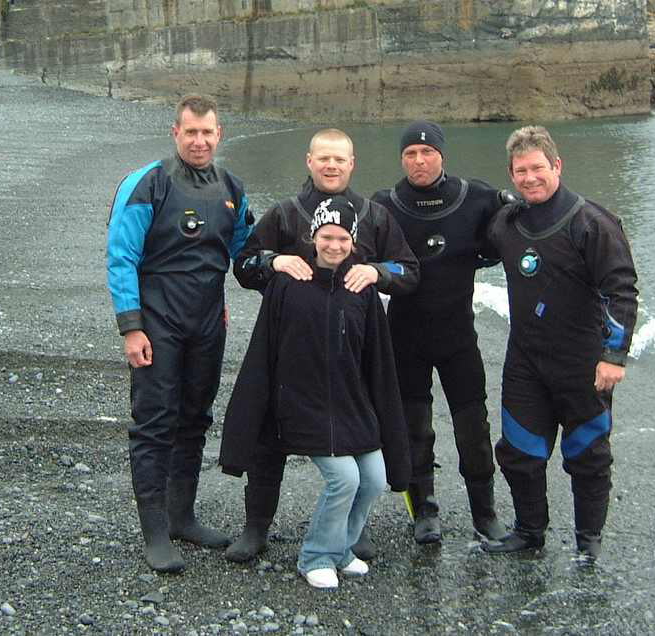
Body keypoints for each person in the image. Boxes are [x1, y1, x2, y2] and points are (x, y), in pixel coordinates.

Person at [227, 128, 419, 563]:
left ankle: (350, 532)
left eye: (340, 159)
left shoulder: (374, 216)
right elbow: (244, 265)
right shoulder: (285, 214)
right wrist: (273, 260)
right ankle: (256, 526)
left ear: (352, 164)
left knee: (355, 438)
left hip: (352, 352)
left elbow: (410, 271)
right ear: (309, 161)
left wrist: (378, 272)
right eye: (324, 158)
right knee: (268, 437)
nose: (331, 165)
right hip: (289, 347)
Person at [106, 94, 254, 573]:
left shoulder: (232, 187)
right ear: (176, 133)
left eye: (207, 132)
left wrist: (294, 263)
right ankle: (154, 531)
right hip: (157, 322)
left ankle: (182, 516)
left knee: (195, 418)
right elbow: (121, 257)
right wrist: (131, 328)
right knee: (154, 422)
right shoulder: (147, 183)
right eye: (191, 132)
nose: (199, 141)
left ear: (219, 134)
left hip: (208, 322)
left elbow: (246, 253)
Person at [483, 125, 638, 559]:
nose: (529, 177)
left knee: (587, 453)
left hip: (582, 362)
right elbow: (467, 251)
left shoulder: (592, 222)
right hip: (526, 361)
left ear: (557, 165)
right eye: (520, 171)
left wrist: (614, 355)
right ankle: (529, 532)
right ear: (511, 175)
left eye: (537, 168)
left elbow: (621, 290)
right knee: (519, 452)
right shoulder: (507, 223)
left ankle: (589, 542)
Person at [371, 121, 510, 544]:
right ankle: (424, 511)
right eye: (410, 154)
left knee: (474, 428)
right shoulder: (384, 205)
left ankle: (484, 514)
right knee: (416, 430)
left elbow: (520, 230)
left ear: (442, 155)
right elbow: (350, 251)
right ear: (402, 159)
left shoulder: (478, 198)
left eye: (427, 152)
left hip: (458, 338)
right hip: (405, 337)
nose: (419, 160)